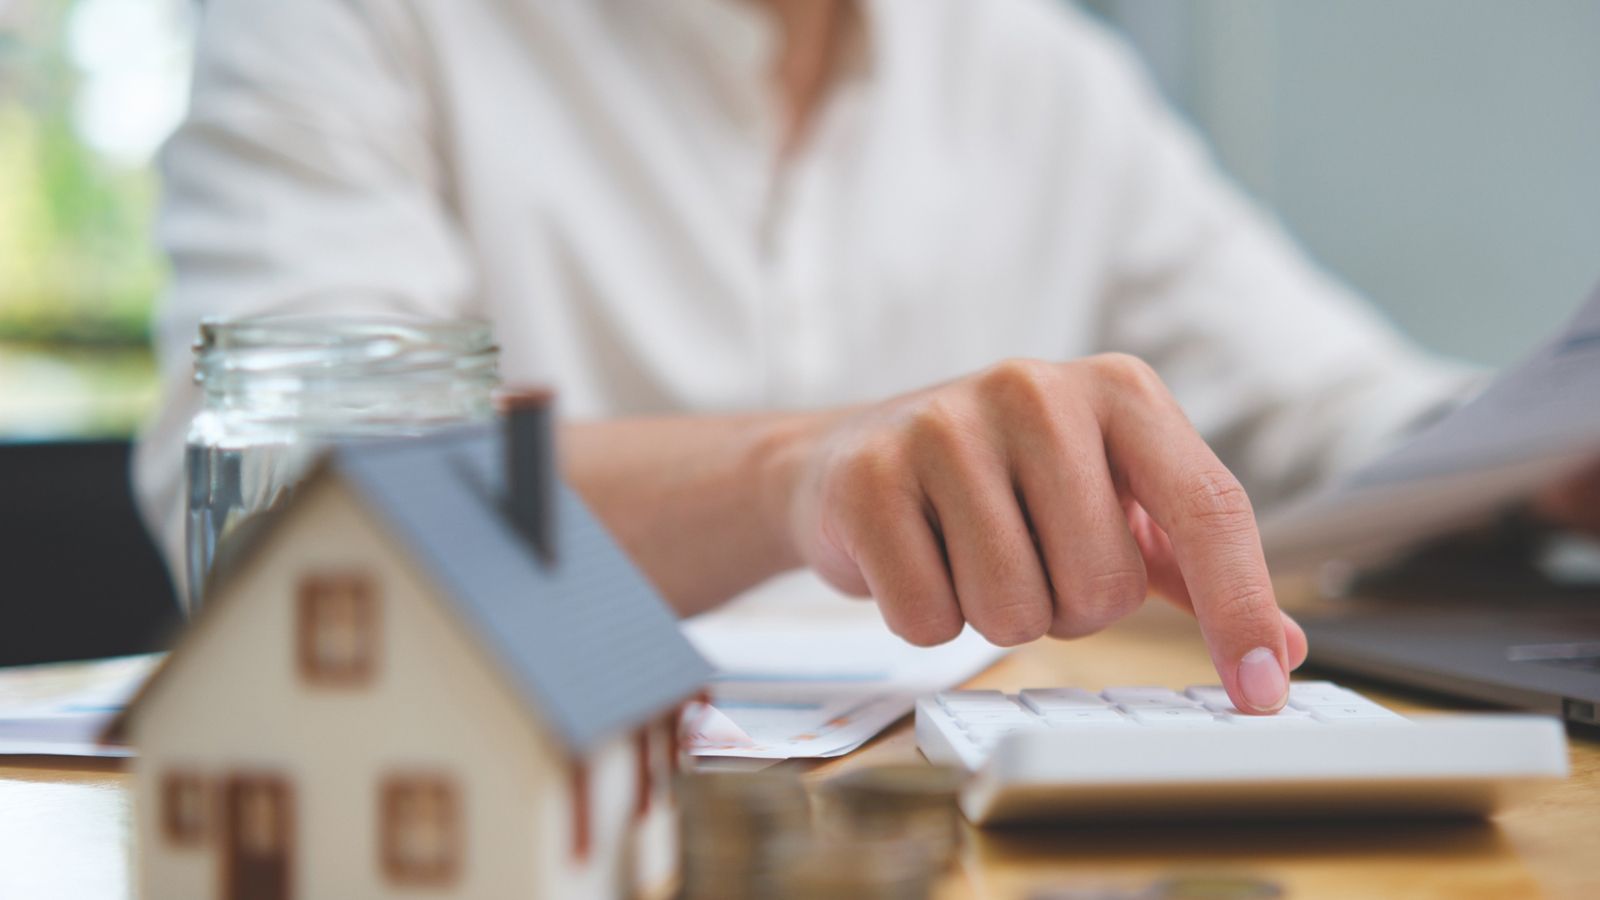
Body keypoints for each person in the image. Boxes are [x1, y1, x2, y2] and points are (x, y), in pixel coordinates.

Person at [133, 0, 1599, 716]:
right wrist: (800, 474)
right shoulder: (352, 23)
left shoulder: (1038, 69)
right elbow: (285, 497)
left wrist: (1552, 455)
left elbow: (1331, 411)